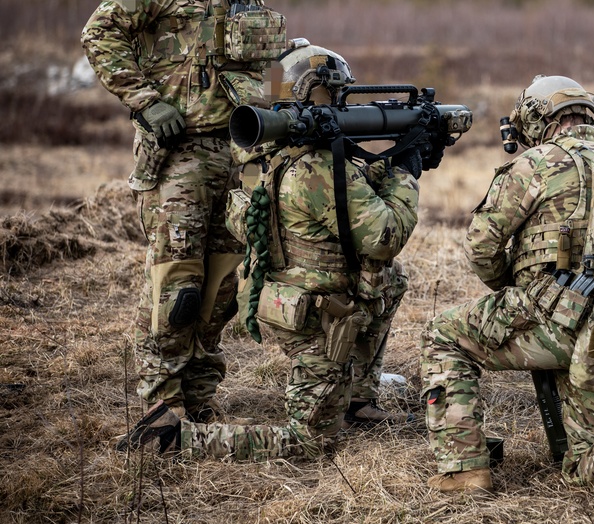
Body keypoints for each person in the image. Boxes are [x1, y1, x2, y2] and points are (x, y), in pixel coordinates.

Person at [118, 42, 421, 460]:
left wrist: (388, 162)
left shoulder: (278, 155)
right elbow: (384, 236)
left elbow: (345, 196)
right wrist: (405, 174)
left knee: (389, 280)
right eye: (337, 94)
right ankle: (175, 438)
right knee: (312, 442)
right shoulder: (314, 168)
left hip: (297, 300)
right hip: (317, 319)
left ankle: (357, 401)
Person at [419, 75, 594, 516]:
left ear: (536, 117)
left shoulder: (537, 164)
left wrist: (516, 293)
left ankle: (463, 469)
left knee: (443, 335)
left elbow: (481, 247)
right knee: (582, 457)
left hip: (556, 323)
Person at [81, 0, 289, 423]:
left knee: (223, 283)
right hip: (179, 154)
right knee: (179, 285)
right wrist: (147, 100)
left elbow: (249, 53)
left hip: (237, 148)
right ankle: (161, 408)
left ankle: (198, 397)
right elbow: (100, 35)